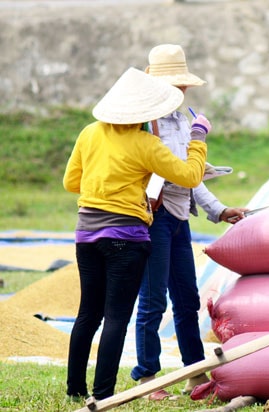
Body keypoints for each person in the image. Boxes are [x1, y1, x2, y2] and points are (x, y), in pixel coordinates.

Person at [63, 66, 210, 402]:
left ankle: (74, 390)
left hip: (86, 235)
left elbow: (71, 183)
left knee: (88, 313)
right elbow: (189, 176)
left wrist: (103, 184)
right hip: (126, 239)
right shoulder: (147, 144)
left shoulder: (89, 133)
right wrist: (198, 139)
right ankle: (103, 394)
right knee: (116, 316)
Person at [129, 44, 248, 400]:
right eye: (174, 87)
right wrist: (193, 152)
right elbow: (169, 173)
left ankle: (194, 371)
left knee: (186, 298)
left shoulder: (182, 123)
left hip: (180, 218)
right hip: (154, 216)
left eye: (183, 88)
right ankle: (147, 377)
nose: (179, 94)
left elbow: (191, 177)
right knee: (153, 299)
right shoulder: (141, 126)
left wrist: (220, 210)